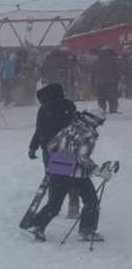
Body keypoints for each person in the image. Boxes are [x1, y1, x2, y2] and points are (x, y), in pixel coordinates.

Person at [27, 111, 109, 242]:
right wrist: (100, 171)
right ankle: (86, 231)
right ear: (93, 119)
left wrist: (62, 158)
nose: (99, 125)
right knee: (91, 201)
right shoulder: (88, 134)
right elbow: (82, 158)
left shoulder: (69, 127)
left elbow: (51, 146)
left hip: (59, 170)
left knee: (54, 203)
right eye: (100, 122)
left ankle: (37, 226)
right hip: (77, 173)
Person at [29, 82, 80, 218]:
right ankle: (73, 208)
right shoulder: (68, 105)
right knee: (70, 178)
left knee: (53, 179)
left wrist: (32, 147)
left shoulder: (44, 108)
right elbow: (74, 126)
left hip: (47, 148)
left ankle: (52, 207)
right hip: (65, 147)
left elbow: (39, 129)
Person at [93, 47, 120, 114]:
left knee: (101, 97)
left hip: (100, 81)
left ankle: (102, 110)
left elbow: (94, 70)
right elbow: (118, 69)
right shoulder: (114, 58)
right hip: (111, 81)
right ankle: (113, 110)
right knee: (112, 96)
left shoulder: (98, 59)